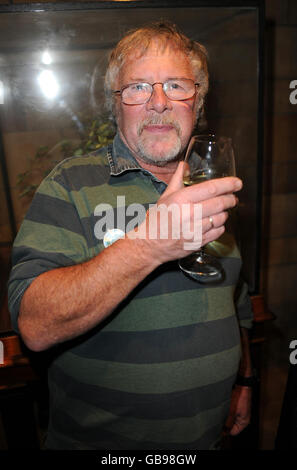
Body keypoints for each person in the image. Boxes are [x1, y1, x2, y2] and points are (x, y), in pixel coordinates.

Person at [8, 21, 254, 450]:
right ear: (116, 105)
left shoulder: (212, 187)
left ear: (198, 102)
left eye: (176, 85)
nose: (159, 103)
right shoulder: (71, 183)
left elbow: (236, 305)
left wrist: (244, 380)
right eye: (138, 88)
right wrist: (149, 244)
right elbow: (35, 324)